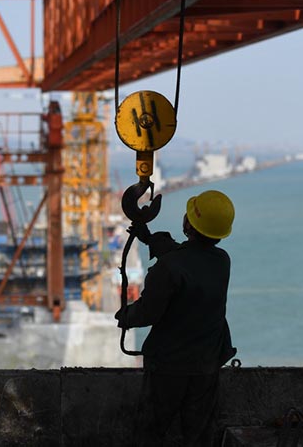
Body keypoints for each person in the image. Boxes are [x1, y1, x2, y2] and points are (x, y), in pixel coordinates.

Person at [115, 189, 237, 447]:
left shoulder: (168, 268)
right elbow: (189, 261)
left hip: (169, 366)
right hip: (206, 363)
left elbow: (148, 311)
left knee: (151, 431)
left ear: (188, 223)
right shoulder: (222, 261)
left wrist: (126, 316)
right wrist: (151, 240)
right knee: (199, 434)